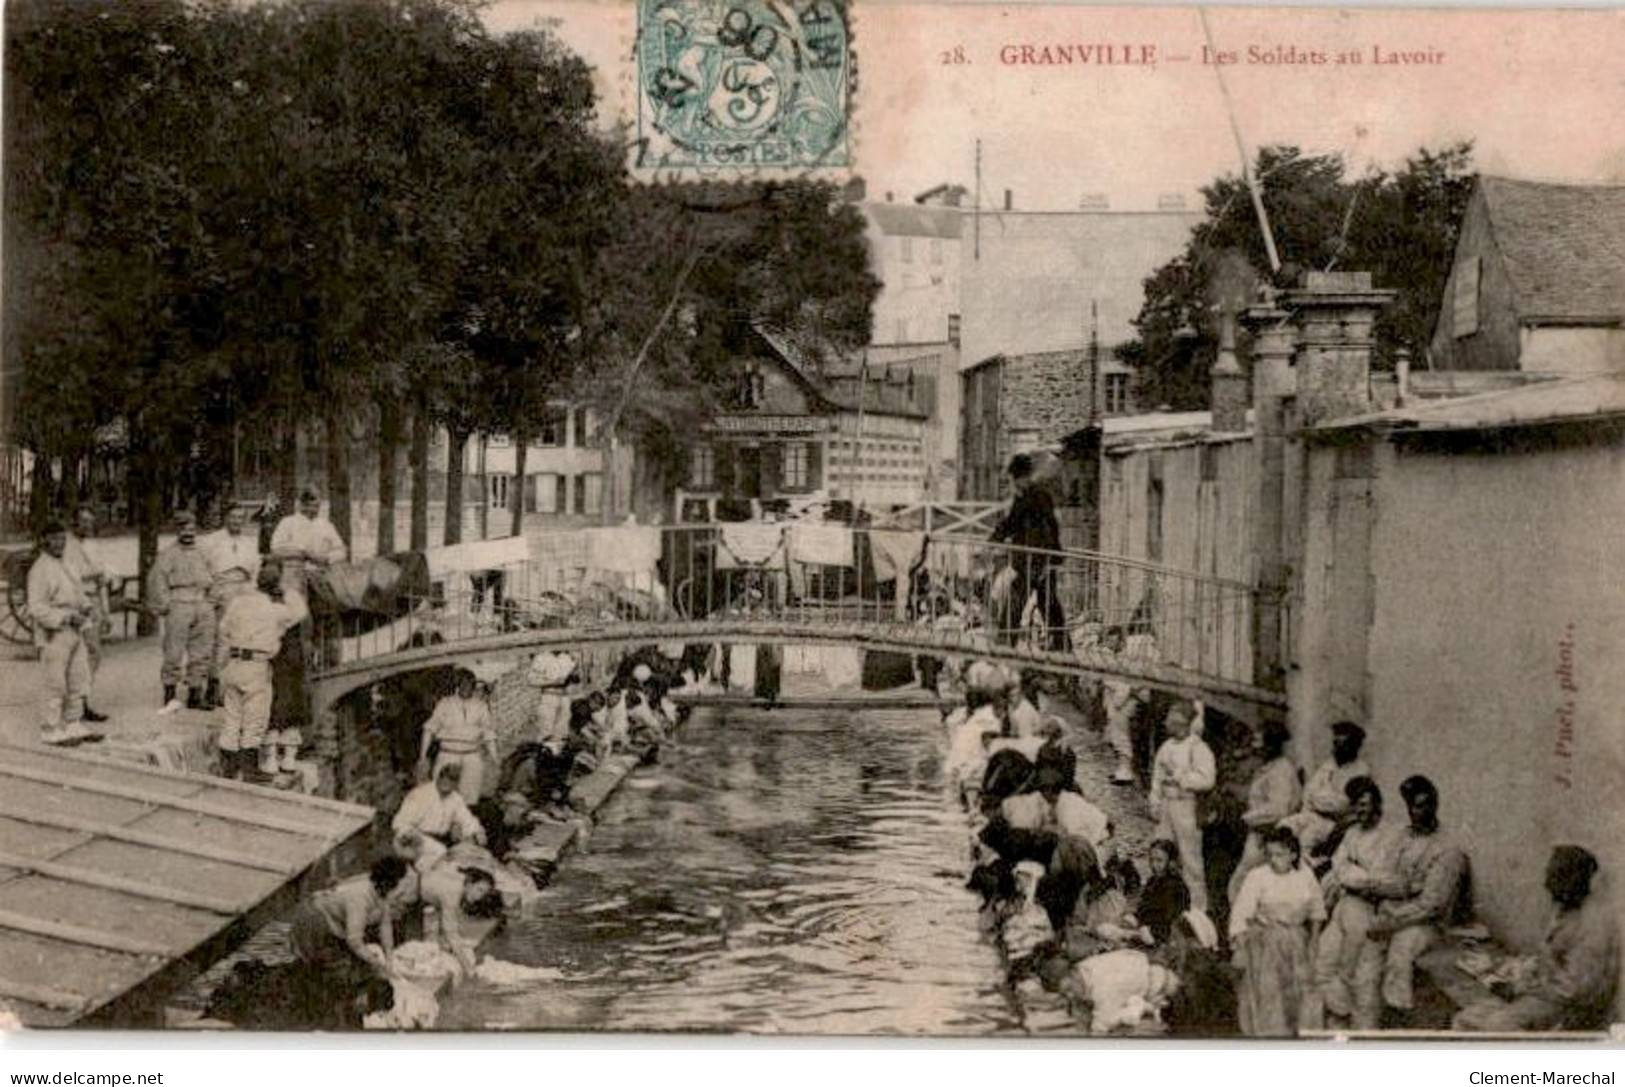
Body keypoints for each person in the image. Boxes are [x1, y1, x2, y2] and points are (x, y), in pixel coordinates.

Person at [1454, 846, 1619, 1032]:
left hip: (1566, 1010)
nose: (1547, 884)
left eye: (1555, 876)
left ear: (1577, 879)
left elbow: (1571, 991)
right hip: (1542, 995)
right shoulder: (1562, 908)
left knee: (1497, 1025)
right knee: (1465, 1018)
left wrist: (1520, 989)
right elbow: (1545, 956)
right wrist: (1511, 972)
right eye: (1549, 875)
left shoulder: (1593, 926)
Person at [1351, 774, 1469, 1029]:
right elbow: (1382, 876)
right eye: (1412, 806)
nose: (1416, 813)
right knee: (1366, 973)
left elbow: (1431, 904)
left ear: (1434, 805)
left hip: (1425, 925)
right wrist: (1402, 889)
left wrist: (1393, 914)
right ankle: (1366, 1032)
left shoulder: (1447, 849)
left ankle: (1399, 1018)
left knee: (1400, 954)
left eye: (1422, 805)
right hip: (1393, 913)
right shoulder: (1403, 836)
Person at [1315, 777, 1400, 1025]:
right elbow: (1338, 866)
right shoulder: (1352, 833)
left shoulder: (1390, 835)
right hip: (1346, 905)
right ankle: (1340, 1015)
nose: (1360, 811)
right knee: (1324, 963)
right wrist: (1355, 873)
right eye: (1356, 806)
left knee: (1363, 979)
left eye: (1365, 804)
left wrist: (1356, 873)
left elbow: (1382, 879)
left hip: (1372, 911)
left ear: (1378, 804)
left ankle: (1365, 1036)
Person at [1229, 826, 1326, 1036]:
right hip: (1267, 940)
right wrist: (1240, 944)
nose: (1274, 859)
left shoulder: (1305, 877)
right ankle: (1272, 1035)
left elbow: (1317, 912)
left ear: (1293, 855)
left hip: (1297, 938)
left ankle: (1299, 1033)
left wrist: (1314, 943)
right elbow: (1241, 912)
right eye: (1270, 854)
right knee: (1271, 993)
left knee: (1301, 988)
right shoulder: (1257, 876)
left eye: (1280, 854)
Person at [217, 564, 308, 781]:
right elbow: (299, 613)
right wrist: (288, 591)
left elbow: (223, 629)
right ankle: (250, 771)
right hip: (257, 664)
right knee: (254, 719)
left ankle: (228, 769)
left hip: (234, 662)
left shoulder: (238, 602)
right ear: (275, 585)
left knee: (232, 716)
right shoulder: (274, 609)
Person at [26, 521, 103, 746]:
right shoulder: (39, 570)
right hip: (54, 631)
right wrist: (66, 618)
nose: (59, 543)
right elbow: (36, 607)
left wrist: (86, 606)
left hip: (75, 628)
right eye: (54, 539)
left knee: (78, 677)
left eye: (62, 539)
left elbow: (78, 592)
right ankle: (50, 729)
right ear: (44, 541)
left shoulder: (67, 564)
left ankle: (73, 722)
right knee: (55, 681)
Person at [287, 856, 412, 986]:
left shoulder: (382, 892)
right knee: (334, 968)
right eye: (400, 887)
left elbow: (385, 925)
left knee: (356, 961)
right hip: (315, 919)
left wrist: (390, 957)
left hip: (335, 919)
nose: (402, 893)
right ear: (389, 884)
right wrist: (378, 963)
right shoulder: (359, 898)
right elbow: (354, 941)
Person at [990, 454, 1068, 650]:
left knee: (1026, 601)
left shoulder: (1036, 496)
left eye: (1015, 479)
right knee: (1047, 603)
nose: (1014, 484)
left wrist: (1047, 560)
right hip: (1033, 559)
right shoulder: (1028, 497)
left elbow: (1047, 528)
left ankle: (1005, 643)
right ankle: (1062, 645)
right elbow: (1012, 523)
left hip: (1034, 559)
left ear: (1022, 477)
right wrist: (995, 538)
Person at [1149, 701, 1216, 912]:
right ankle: (1164, 901)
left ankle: (1197, 909)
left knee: (1190, 859)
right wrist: (1155, 799)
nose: (1169, 724)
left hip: (1187, 805)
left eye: (1174, 721)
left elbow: (1207, 779)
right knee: (1162, 851)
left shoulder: (1198, 748)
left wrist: (1181, 777)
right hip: (1168, 805)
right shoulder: (1166, 747)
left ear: (1183, 724)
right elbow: (1157, 777)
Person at [147, 511, 217, 711]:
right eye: (183, 528)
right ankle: (170, 694)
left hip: (202, 601)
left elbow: (215, 575)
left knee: (201, 651)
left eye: (191, 528)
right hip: (179, 601)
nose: (188, 533)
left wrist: (211, 600)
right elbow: (157, 581)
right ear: (177, 530)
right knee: (173, 651)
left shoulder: (204, 551)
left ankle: (195, 693)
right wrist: (165, 604)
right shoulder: (168, 554)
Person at [1227, 721, 1303, 902]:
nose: (1254, 746)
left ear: (1271, 745)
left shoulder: (1281, 771)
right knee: (1244, 882)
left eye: (1258, 741)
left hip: (1272, 834)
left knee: (1245, 882)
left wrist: (1245, 818)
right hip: (1260, 832)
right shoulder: (1267, 767)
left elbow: (1278, 809)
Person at [1280, 721, 1370, 861]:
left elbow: (1341, 805)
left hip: (1336, 824)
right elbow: (1309, 792)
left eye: (1342, 745)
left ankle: (1304, 875)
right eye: (1335, 743)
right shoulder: (1329, 764)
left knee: (1306, 840)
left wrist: (1317, 798)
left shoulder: (1360, 771)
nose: (1336, 749)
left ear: (1354, 746)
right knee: (1284, 826)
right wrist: (1320, 798)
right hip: (1313, 815)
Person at [204, 505, 262, 711]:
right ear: (225, 518)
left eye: (240, 518)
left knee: (243, 639)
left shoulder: (249, 542)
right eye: (233, 517)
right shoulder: (212, 540)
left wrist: (251, 591)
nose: (237, 521)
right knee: (222, 640)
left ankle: (237, 688)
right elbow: (204, 567)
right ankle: (214, 687)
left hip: (244, 589)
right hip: (222, 588)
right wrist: (213, 591)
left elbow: (255, 569)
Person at [62, 508, 111, 723]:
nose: (87, 526)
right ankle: (74, 702)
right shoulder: (66, 546)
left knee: (94, 654)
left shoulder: (93, 546)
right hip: (74, 604)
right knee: (78, 653)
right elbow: (68, 576)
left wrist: (107, 612)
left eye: (90, 521)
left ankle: (82, 699)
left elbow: (102, 579)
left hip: (94, 601)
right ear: (75, 523)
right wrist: (93, 574)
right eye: (83, 521)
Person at [418, 670, 497, 804]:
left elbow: (488, 734)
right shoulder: (445, 704)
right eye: (463, 684)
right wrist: (423, 756)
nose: (467, 688)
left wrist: (495, 758)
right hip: (448, 754)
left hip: (472, 755)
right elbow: (429, 729)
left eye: (470, 685)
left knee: (470, 798)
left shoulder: (480, 706)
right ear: (458, 685)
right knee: (442, 797)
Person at [416, 864, 506, 980]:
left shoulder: (460, 882)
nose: (479, 897)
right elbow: (451, 933)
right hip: (413, 889)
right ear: (469, 885)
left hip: (421, 886)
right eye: (479, 890)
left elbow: (442, 919)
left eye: (484, 893)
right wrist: (467, 967)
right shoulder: (452, 893)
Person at [270, 488, 347, 597]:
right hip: (293, 575)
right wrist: (303, 553)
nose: (314, 510)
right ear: (301, 505)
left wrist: (327, 558)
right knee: (296, 607)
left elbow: (341, 550)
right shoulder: (287, 523)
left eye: (316, 506)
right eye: (309, 505)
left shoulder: (326, 525)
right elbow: (276, 550)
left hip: (321, 576)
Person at [393, 763, 487, 848]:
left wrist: (477, 832)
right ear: (438, 777)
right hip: (418, 838)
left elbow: (466, 819)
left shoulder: (456, 798)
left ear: (456, 783)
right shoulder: (420, 794)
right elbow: (400, 822)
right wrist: (411, 837)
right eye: (444, 777)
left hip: (441, 840)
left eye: (452, 780)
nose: (447, 782)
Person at [1131, 839, 1192, 947]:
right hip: (1145, 929)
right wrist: (1134, 918)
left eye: (1159, 861)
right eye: (1151, 860)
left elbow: (1170, 920)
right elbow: (1143, 908)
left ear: (1170, 862)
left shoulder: (1176, 886)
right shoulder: (1152, 881)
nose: (1154, 865)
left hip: (1163, 935)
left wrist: (1144, 927)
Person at [1007, 673, 1044, 739]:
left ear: (1021, 695)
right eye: (1010, 696)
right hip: (1020, 736)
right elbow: (1013, 729)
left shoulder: (1025, 708)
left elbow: (1025, 734)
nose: (1012, 698)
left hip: (1031, 738)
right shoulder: (1010, 707)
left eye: (1015, 695)